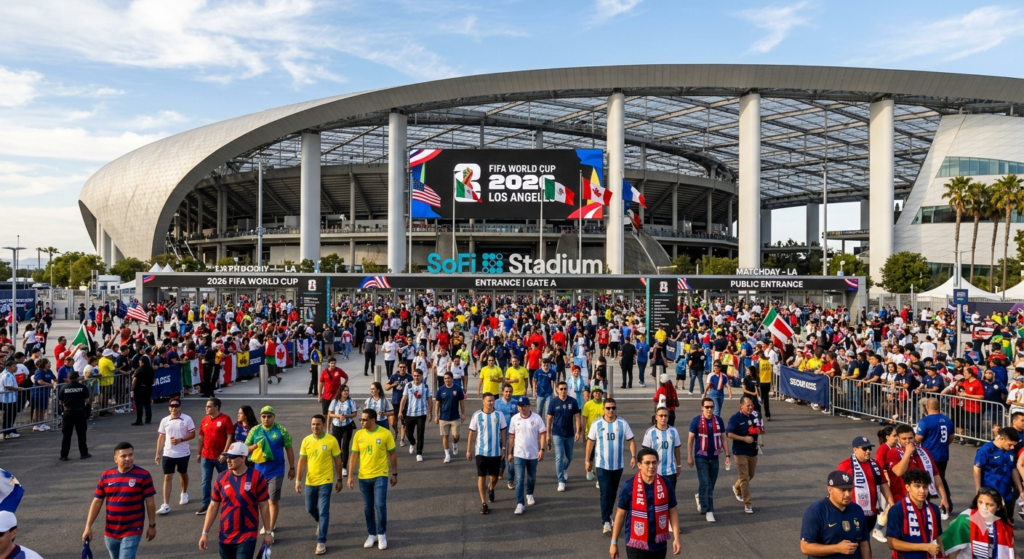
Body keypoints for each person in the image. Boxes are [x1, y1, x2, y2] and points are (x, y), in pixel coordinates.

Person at [198, 442, 274, 558]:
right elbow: (213, 506)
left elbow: (264, 505)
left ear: (243, 458)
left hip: (247, 535)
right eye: (228, 456)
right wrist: (204, 533)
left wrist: (268, 532)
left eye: (232, 457)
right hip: (225, 535)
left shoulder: (257, 477)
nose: (228, 460)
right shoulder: (221, 478)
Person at [83, 442, 157, 559]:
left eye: (131, 455)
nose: (128, 458)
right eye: (123, 456)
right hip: (111, 530)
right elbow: (97, 501)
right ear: (115, 459)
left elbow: (150, 502)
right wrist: (88, 527)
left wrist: (152, 525)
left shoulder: (143, 475)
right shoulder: (106, 476)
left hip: (133, 529)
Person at [609, 447, 681, 559]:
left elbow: (672, 511)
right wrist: (614, 542)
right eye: (647, 463)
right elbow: (621, 514)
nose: (651, 466)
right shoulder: (628, 486)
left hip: (659, 544)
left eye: (654, 463)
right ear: (639, 465)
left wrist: (676, 538)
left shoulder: (666, 484)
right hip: (635, 544)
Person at [347, 408, 398, 550]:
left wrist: (394, 474)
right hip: (364, 477)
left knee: (380, 505)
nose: (361, 422)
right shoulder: (358, 435)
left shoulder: (385, 433)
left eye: (364, 420)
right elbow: (354, 456)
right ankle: (372, 534)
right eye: (361, 420)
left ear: (373, 420)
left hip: (380, 475)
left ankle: (381, 534)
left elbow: (392, 454)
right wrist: (350, 476)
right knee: (368, 508)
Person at [586, 397, 637, 534]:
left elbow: (631, 440)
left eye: (613, 408)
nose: (611, 410)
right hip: (602, 465)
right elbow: (590, 443)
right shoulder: (597, 424)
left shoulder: (622, 423)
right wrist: (587, 460)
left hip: (617, 465)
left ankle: (608, 515)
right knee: (605, 491)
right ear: (603, 409)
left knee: (613, 492)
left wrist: (633, 456)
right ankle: (606, 521)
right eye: (608, 408)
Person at [244, 406, 295, 539]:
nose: (266, 419)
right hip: (258, 472)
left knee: (272, 501)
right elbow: (245, 449)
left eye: (269, 416)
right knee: (260, 501)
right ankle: (267, 522)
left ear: (274, 417)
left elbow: (289, 448)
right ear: (260, 417)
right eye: (263, 416)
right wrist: (255, 446)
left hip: (276, 471)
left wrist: (292, 467)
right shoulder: (255, 430)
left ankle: (270, 529)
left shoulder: (281, 430)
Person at [295, 414, 343, 556]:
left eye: (318, 424)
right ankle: (320, 522)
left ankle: (321, 541)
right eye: (313, 424)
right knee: (310, 508)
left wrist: (339, 479)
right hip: (310, 481)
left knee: (324, 511)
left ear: (323, 425)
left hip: (326, 481)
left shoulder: (331, 440)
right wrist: (298, 481)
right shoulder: (306, 441)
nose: (315, 427)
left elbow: (338, 461)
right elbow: (302, 462)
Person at [799, 470, 871, 559]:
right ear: (830, 489)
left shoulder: (857, 510)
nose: (848, 494)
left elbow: (864, 543)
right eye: (843, 490)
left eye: (850, 490)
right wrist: (837, 548)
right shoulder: (815, 512)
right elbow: (805, 547)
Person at [884, 424, 949, 513]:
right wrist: (907, 453)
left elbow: (935, 475)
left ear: (914, 437)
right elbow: (899, 472)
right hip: (901, 501)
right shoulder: (893, 453)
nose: (908, 441)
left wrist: (944, 497)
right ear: (898, 439)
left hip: (921, 500)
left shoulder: (924, 452)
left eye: (910, 438)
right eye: (904, 439)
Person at [836, 436, 895, 533]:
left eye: (869, 448)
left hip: (871, 513)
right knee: (853, 541)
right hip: (851, 512)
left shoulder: (875, 464)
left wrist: (891, 503)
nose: (868, 451)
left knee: (864, 540)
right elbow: (837, 488)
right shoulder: (845, 465)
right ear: (855, 449)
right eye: (864, 448)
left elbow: (883, 484)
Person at [688, 396, 731, 523]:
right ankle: (709, 510)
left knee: (710, 484)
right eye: (707, 407)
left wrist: (727, 455)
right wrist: (689, 456)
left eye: (712, 407)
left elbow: (723, 438)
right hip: (701, 456)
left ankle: (701, 499)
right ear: (702, 407)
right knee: (705, 483)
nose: (709, 409)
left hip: (715, 457)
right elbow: (690, 439)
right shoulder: (696, 421)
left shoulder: (718, 420)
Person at [940, 488, 1015, 559]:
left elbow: (1012, 551)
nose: (983, 507)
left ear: (998, 507)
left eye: (990, 505)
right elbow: (952, 551)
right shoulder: (965, 521)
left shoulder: (1005, 525)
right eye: (980, 502)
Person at [885, 468, 943, 559]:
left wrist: (942, 555)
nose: (922, 491)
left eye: (925, 487)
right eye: (917, 486)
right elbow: (892, 543)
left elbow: (938, 538)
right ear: (907, 487)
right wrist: (925, 547)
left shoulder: (934, 509)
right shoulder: (897, 510)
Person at [466, 392, 508, 514]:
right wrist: (468, 450)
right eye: (488, 401)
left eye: (492, 401)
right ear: (483, 401)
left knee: (494, 477)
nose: (491, 403)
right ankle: (483, 503)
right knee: (481, 476)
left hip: (495, 452)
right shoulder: (477, 415)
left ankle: (491, 487)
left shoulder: (499, 415)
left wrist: (504, 448)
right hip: (481, 452)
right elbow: (471, 433)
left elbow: (503, 431)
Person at [914, 398, 955, 515]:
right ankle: (947, 503)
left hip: (929, 456)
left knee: (926, 479)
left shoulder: (925, 421)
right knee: (941, 478)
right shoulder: (947, 420)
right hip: (943, 455)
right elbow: (951, 437)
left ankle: (924, 503)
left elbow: (918, 439)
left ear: (927, 407)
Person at [155, 398, 195, 515]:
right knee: (167, 477)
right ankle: (166, 504)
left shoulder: (187, 419)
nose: (174, 408)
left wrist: (180, 440)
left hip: (183, 453)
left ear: (180, 407)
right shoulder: (164, 420)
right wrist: (158, 453)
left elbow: (193, 434)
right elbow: (161, 437)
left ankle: (184, 493)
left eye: (176, 406)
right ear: (169, 408)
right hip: (168, 453)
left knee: (182, 474)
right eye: (172, 406)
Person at [508, 396, 546, 515]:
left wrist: (542, 449)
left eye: (524, 406)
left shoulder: (537, 418)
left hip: (533, 454)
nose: (522, 408)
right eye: (520, 406)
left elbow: (543, 434)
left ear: (529, 406)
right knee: (519, 479)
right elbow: (511, 437)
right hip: (519, 453)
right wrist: (510, 452)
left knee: (531, 477)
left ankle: (529, 493)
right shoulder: (514, 419)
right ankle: (520, 503)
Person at [196, 397, 234, 516]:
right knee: (205, 481)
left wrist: (225, 453)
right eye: (206, 406)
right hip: (206, 456)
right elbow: (201, 438)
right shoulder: (204, 420)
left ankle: (227, 502)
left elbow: (229, 437)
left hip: (220, 457)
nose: (206, 408)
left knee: (225, 480)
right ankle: (206, 504)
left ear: (216, 407)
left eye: (209, 406)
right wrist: (198, 453)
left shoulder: (225, 419)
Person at [726, 395, 763, 514]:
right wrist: (743, 438)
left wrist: (759, 440)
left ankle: (736, 488)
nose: (750, 407)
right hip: (740, 451)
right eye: (748, 406)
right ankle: (748, 504)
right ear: (741, 406)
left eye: (751, 405)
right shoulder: (735, 418)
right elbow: (729, 434)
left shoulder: (753, 417)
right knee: (744, 478)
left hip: (752, 451)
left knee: (750, 475)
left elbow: (757, 431)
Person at [973, 427, 1019, 513]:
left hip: (1006, 494)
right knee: (990, 521)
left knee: (1007, 521)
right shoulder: (986, 450)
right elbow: (977, 469)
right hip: (990, 494)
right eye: (1010, 444)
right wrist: (978, 489)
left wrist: (1020, 490)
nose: (1012, 447)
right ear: (1002, 438)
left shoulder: (1010, 451)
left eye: (1014, 445)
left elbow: (1014, 469)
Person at [546, 380, 582, 492]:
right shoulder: (553, 402)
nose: (563, 391)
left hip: (570, 433)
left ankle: (564, 469)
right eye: (561, 389)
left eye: (565, 389)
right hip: (557, 433)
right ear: (557, 390)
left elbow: (577, 417)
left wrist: (577, 431)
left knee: (570, 456)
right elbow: (549, 419)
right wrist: (548, 434)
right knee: (559, 457)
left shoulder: (573, 401)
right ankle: (561, 481)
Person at [642, 404, 682, 492]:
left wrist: (678, 465)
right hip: (654, 471)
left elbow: (677, 449)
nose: (663, 418)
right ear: (656, 417)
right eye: (661, 416)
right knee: (654, 498)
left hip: (670, 472)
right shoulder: (650, 432)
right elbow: (645, 453)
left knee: (669, 499)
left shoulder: (673, 431)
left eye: (665, 415)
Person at [399, 370, 432, 462]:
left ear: (422, 376)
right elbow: (404, 399)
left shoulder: (425, 387)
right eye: (414, 375)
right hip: (410, 413)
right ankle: (412, 443)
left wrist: (430, 413)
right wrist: (400, 411)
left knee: (420, 434)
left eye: (418, 376)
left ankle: (419, 453)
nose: (416, 377)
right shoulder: (408, 385)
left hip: (421, 414)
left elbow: (429, 400)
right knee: (408, 433)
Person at [58, 370, 91, 461]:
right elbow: (87, 401)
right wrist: (87, 413)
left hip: (68, 412)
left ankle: (64, 455)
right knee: (81, 434)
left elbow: (60, 401)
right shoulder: (82, 387)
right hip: (80, 412)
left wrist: (63, 410)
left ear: (68, 378)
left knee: (66, 435)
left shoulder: (64, 387)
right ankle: (83, 453)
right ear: (78, 377)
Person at [434, 371, 465, 464]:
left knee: (456, 436)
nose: (446, 380)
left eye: (448, 378)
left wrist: (463, 413)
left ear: (452, 379)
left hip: (455, 416)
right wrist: (436, 416)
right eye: (445, 378)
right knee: (445, 436)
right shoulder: (441, 389)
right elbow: (437, 404)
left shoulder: (458, 389)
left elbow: (462, 402)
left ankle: (454, 444)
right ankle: (447, 455)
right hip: (443, 417)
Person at [327, 384, 357, 476]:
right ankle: (338, 464)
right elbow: (330, 414)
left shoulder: (351, 402)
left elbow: (354, 413)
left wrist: (347, 415)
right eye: (344, 390)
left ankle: (344, 467)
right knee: (337, 446)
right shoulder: (334, 402)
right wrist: (338, 416)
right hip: (336, 425)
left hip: (347, 425)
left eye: (347, 390)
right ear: (340, 391)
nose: (346, 392)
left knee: (345, 445)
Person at [582, 386, 606, 482]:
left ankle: (599, 474)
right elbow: (584, 419)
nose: (597, 394)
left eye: (599, 392)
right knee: (590, 454)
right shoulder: (588, 404)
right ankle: (589, 470)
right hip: (591, 434)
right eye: (595, 392)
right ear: (592, 393)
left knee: (600, 455)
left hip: (603, 434)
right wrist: (583, 433)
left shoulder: (605, 404)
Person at [130, 348, 154, 426]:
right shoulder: (151, 369)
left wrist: (132, 388)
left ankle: (139, 420)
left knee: (139, 404)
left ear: (142, 362)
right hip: (148, 387)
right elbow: (154, 379)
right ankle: (148, 419)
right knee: (147, 404)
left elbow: (134, 380)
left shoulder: (139, 370)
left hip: (139, 388)